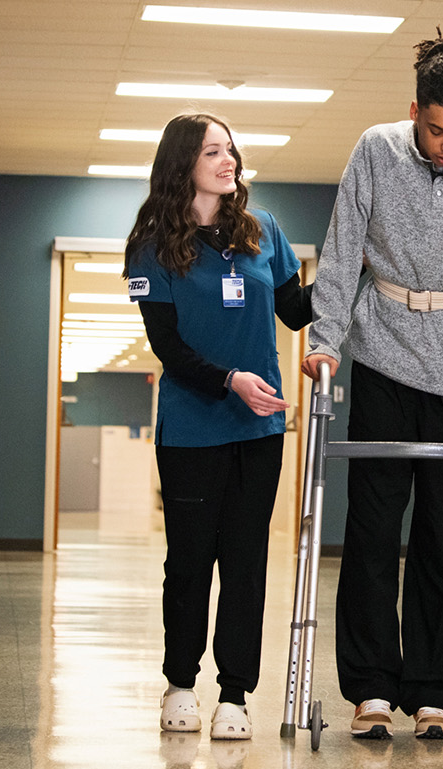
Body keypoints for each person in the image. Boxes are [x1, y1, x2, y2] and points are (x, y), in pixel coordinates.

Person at [301, 24, 443, 741]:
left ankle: (434, 689)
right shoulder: (375, 150)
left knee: (442, 531)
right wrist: (323, 341)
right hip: (381, 352)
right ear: (415, 112)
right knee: (373, 527)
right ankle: (370, 687)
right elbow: (342, 254)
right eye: (437, 131)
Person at [123, 112, 312, 741]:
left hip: (259, 434)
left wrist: (362, 268)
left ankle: (235, 693)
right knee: (190, 562)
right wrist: (231, 380)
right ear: (183, 163)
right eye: (212, 151)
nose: (228, 160)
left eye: (230, 150)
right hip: (191, 429)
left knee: (246, 560)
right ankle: (181, 682)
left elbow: (296, 311)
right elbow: (167, 346)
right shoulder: (150, 243)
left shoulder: (264, 232)